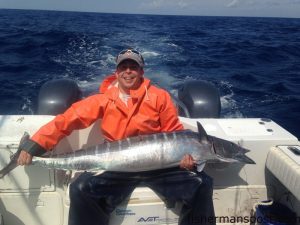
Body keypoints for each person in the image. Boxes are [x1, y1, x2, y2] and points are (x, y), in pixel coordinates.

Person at [17, 48, 215, 225]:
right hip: (117, 164)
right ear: (116, 72)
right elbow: (67, 120)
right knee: (81, 188)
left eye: (133, 67)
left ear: (141, 72)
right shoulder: (103, 99)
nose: (128, 71)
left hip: (159, 164)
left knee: (201, 184)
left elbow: (174, 132)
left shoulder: (159, 97)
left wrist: (185, 158)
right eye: (123, 67)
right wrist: (34, 145)